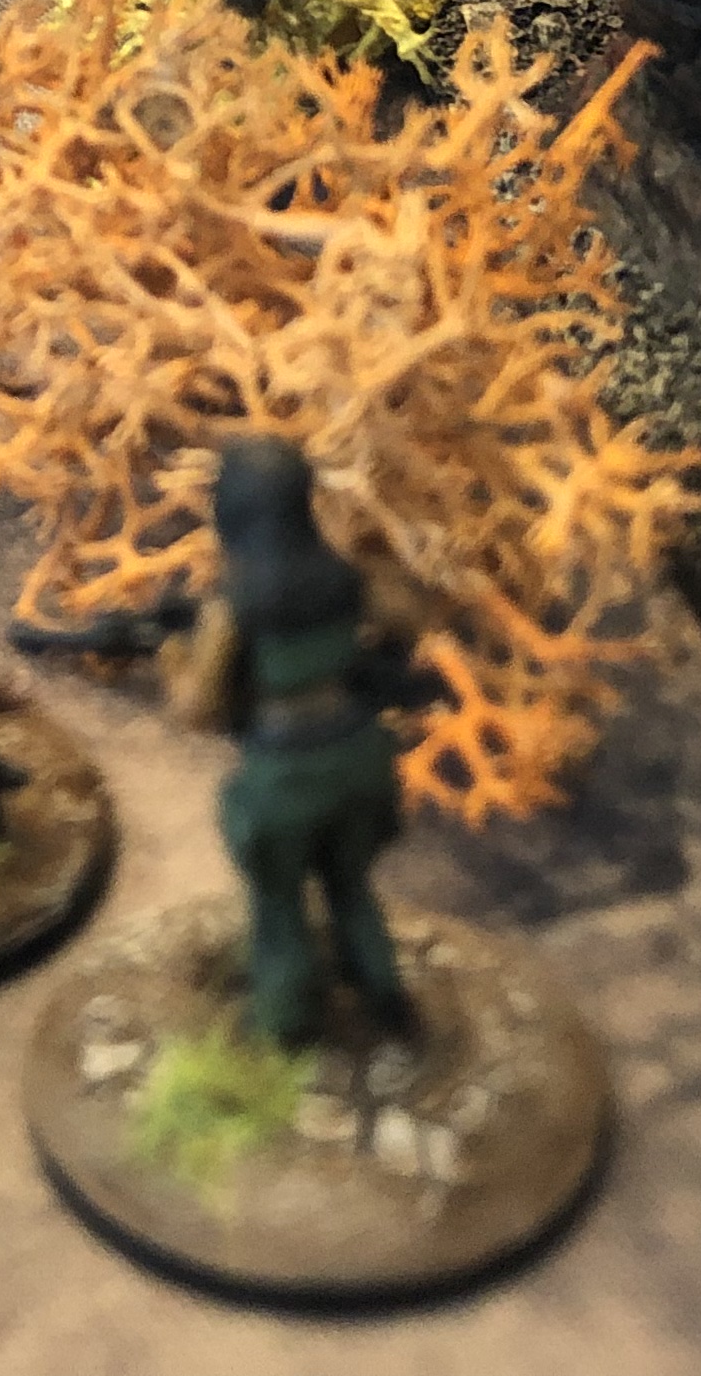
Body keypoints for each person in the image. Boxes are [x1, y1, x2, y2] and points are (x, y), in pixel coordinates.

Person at [160, 441, 427, 1049]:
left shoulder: (235, 607)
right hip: (360, 758)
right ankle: (386, 996)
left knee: (279, 906)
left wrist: (172, 658)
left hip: (283, 780)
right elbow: (411, 617)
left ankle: (282, 1026)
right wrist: (372, 664)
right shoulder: (347, 579)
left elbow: (198, 709)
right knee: (351, 888)